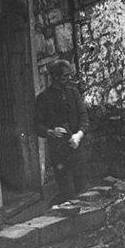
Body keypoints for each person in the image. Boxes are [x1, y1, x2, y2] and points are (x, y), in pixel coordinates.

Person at [34, 59, 89, 204]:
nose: (69, 79)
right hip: (59, 152)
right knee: (67, 191)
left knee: (82, 188)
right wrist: (51, 132)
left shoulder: (73, 93)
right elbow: (37, 126)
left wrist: (79, 135)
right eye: (65, 76)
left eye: (69, 75)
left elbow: (84, 118)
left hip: (76, 148)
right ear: (55, 77)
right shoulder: (44, 98)